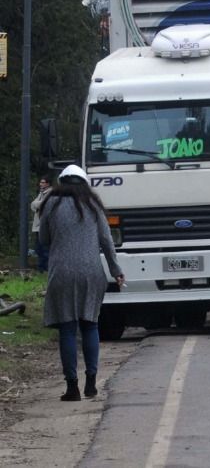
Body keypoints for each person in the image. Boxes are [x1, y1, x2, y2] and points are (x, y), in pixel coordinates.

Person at [39, 165, 125, 401]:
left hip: (62, 273)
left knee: (67, 329)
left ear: (61, 182)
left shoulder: (50, 203)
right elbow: (107, 241)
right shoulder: (93, 204)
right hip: (91, 272)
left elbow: (44, 238)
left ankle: (72, 387)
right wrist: (116, 270)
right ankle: (91, 384)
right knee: (90, 325)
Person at [30, 175, 52, 272]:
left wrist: (37, 204)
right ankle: (41, 268)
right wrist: (37, 204)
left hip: (44, 226)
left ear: (48, 183)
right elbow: (33, 205)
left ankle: (46, 268)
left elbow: (42, 204)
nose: (41, 184)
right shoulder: (41, 193)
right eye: (40, 182)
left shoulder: (50, 192)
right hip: (38, 226)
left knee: (45, 248)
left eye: (43, 182)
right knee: (38, 248)